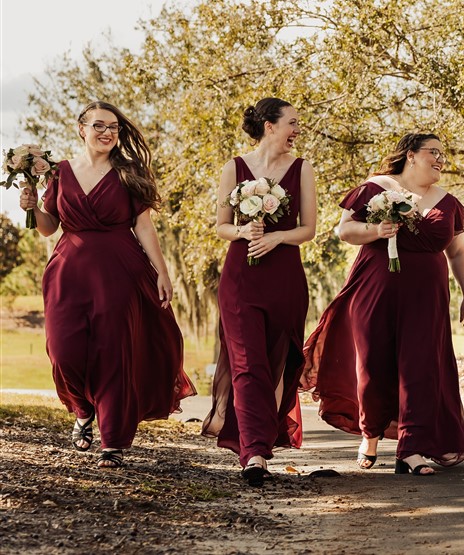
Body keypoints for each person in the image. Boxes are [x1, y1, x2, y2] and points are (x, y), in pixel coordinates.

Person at [19, 100, 196, 469]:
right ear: (81, 129)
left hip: (121, 271)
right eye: (99, 125)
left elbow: (144, 226)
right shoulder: (59, 172)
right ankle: (83, 410)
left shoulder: (129, 172)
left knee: (115, 352)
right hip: (68, 273)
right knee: (62, 349)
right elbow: (49, 227)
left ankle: (113, 442)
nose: (107, 133)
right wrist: (31, 207)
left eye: (113, 127)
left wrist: (162, 271)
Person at [301, 133, 464, 477]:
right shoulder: (377, 187)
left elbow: (457, 252)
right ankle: (370, 434)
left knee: (421, 368)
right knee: (373, 364)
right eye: (433, 152)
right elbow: (344, 230)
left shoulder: (448, 201)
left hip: (427, 297)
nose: (440, 159)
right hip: (376, 288)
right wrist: (377, 230)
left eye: (444, 154)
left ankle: (411, 448)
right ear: (411, 155)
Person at [202, 98, 316, 486]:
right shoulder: (233, 167)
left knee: (275, 363)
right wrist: (243, 231)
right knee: (247, 364)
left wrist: (277, 237)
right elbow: (221, 225)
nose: (297, 130)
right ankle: (254, 454)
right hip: (240, 278)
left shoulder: (302, 169)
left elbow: (309, 229)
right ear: (270, 126)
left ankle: (260, 437)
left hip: (284, 277)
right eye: (293, 122)